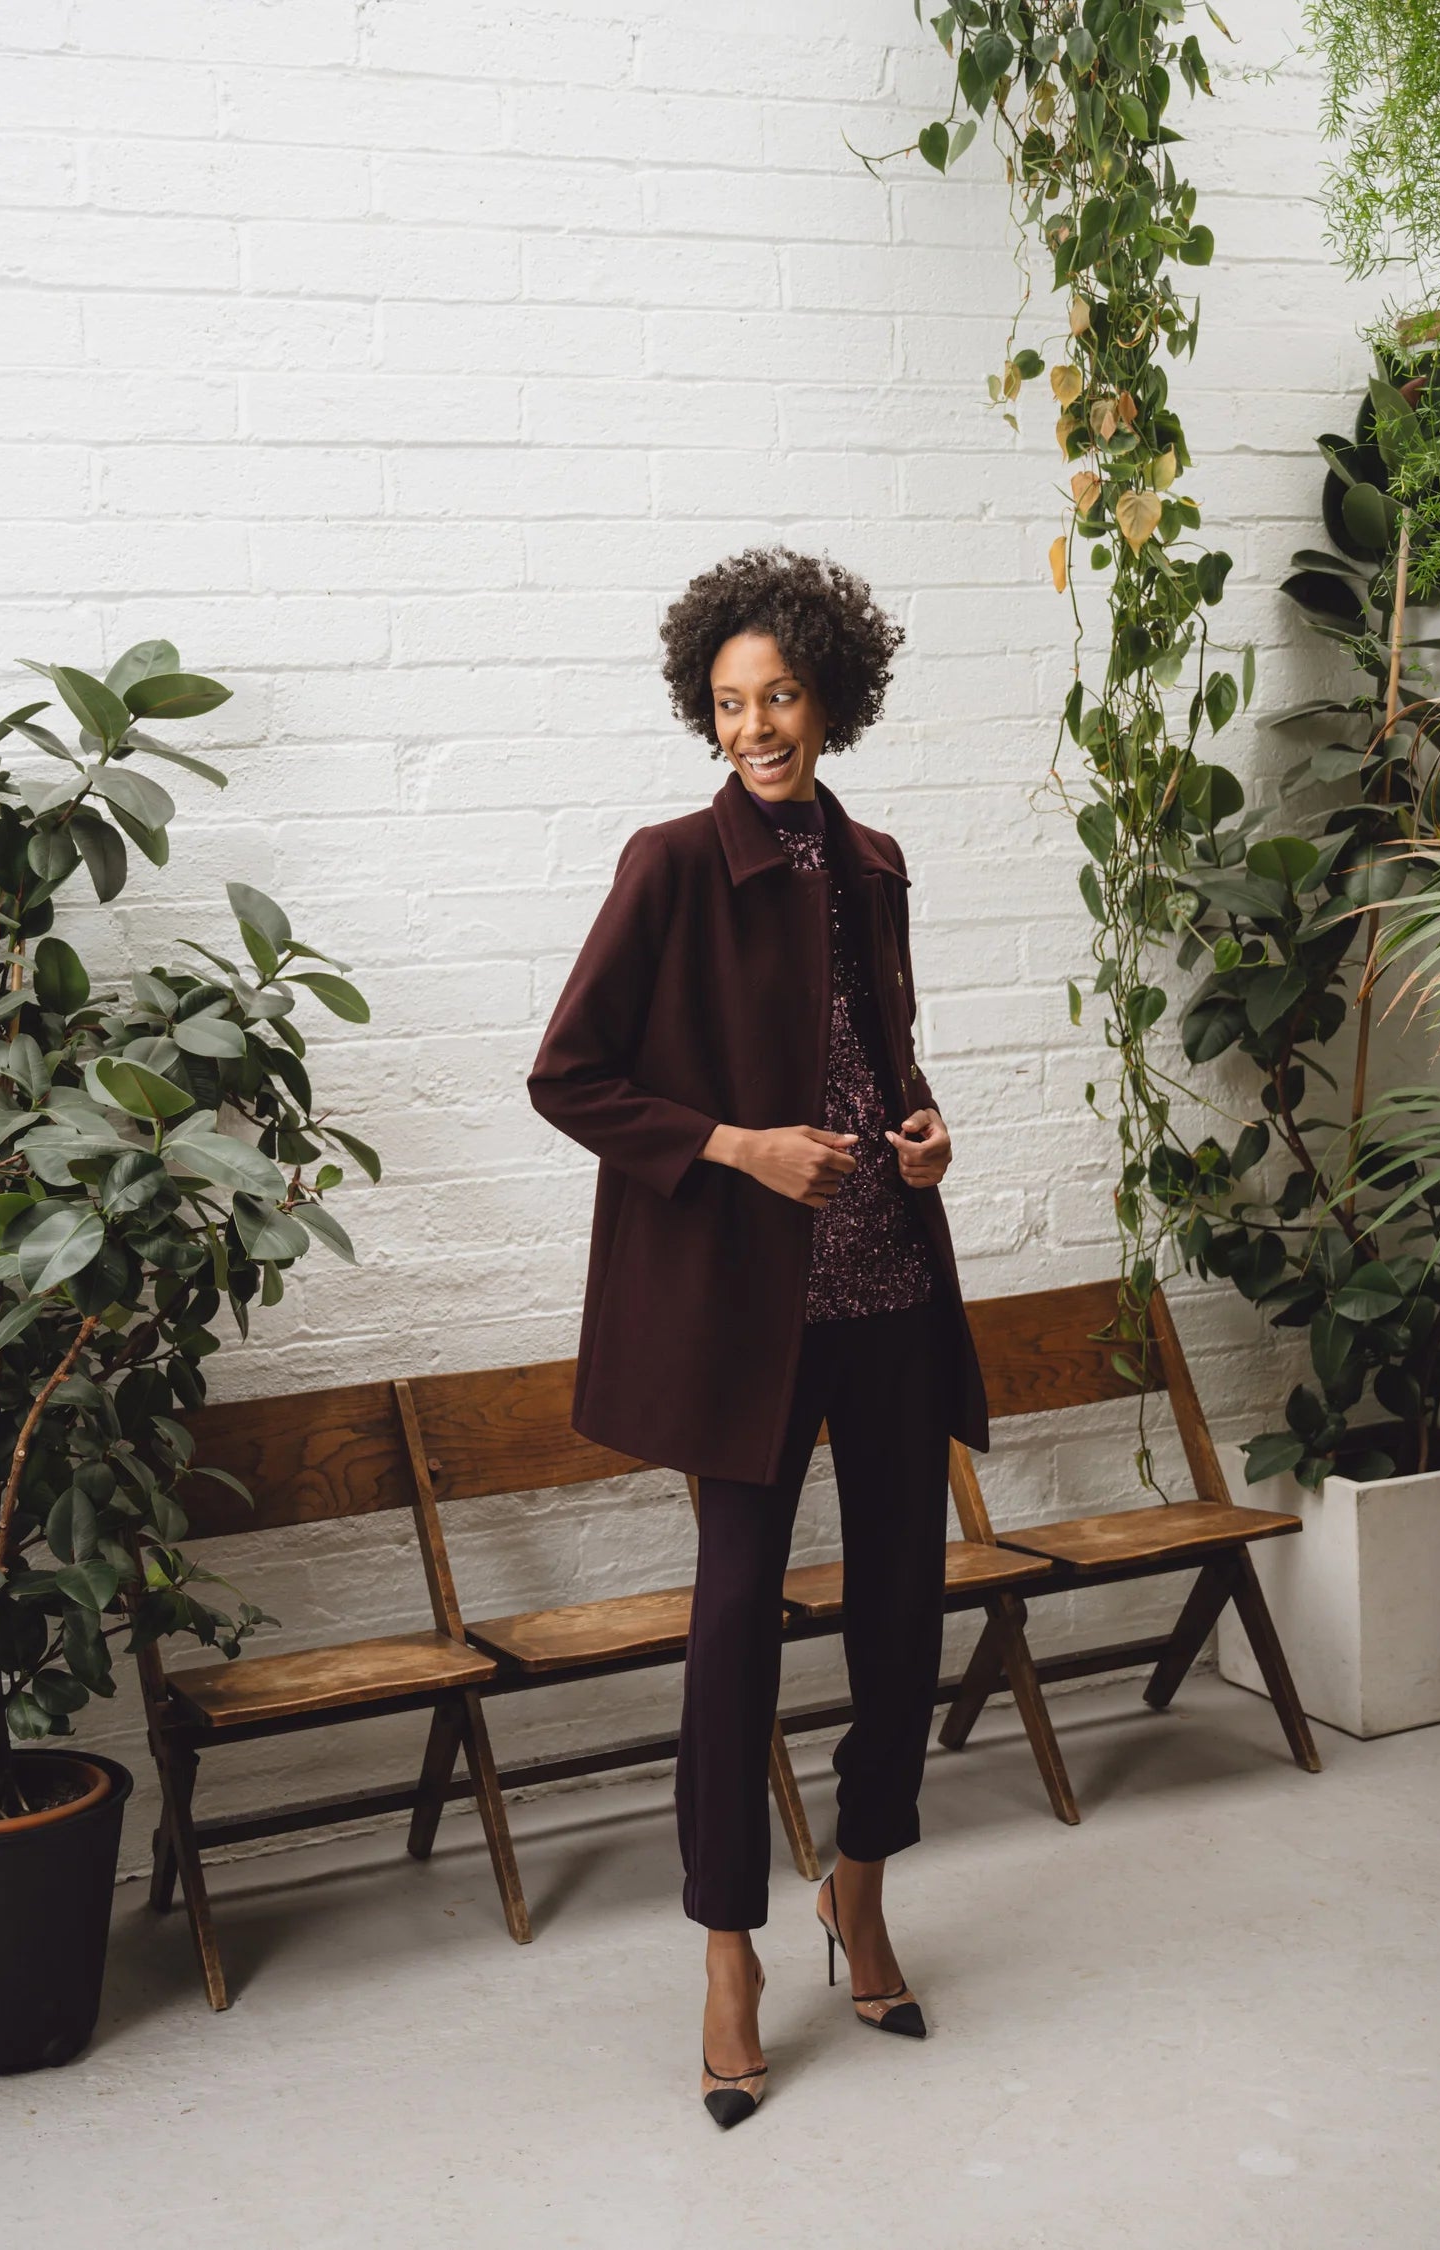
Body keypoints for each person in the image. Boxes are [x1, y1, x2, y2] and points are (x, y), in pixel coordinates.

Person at [527, 546, 990, 2128]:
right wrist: (741, 1145)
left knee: (904, 1610)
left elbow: (883, 1059)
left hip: (890, 1295)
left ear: (829, 696)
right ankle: (726, 1940)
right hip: (753, 1322)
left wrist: (922, 1138)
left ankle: (859, 1883)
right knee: (733, 1624)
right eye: (729, 704)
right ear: (702, 715)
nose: (755, 727)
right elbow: (569, 1075)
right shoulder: (667, 865)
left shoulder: (874, 862)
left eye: (779, 694)